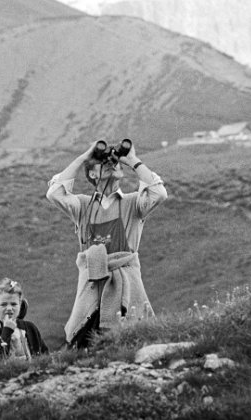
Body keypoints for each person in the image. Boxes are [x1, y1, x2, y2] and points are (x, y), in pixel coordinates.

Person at [46, 139, 167, 348]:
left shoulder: (133, 203)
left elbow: (159, 194)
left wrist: (133, 160)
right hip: (93, 282)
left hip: (127, 282)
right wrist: (86, 156)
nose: (112, 164)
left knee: (134, 338)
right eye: (103, 162)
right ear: (92, 174)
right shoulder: (82, 205)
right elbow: (54, 193)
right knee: (86, 340)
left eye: (116, 163)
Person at [0, 277, 49, 359]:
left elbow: (45, 354)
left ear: (20, 305)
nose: (9, 308)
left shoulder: (30, 328)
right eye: (3, 304)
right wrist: (6, 330)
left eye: (14, 304)